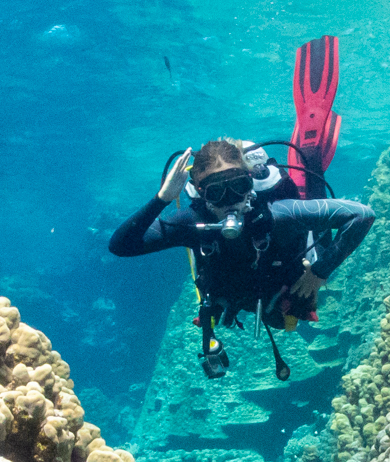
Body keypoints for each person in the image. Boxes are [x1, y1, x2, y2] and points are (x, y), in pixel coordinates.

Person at [108, 138, 374, 379]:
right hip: (239, 296)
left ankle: (311, 164)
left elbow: (362, 215)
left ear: (250, 182)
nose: (230, 202)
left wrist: (319, 272)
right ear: (201, 192)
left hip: (285, 285)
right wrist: (162, 198)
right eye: (216, 193)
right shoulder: (191, 223)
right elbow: (120, 245)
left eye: (239, 187)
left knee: (317, 242)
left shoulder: (276, 214)